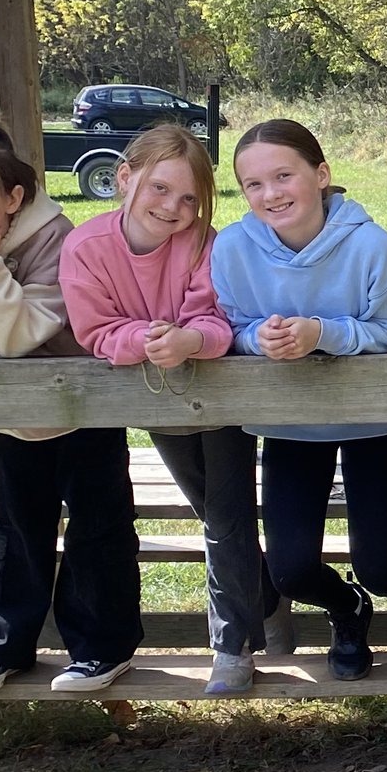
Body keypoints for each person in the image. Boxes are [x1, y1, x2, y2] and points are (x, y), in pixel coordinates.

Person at [213, 118, 387, 682]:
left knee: (379, 563)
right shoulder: (233, 248)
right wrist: (255, 340)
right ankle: (348, 610)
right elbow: (230, 327)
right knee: (289, 572)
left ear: (321, 175)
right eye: (253, 185)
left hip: (372, 424)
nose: (271, 194)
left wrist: (324, 334)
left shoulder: (373, 246)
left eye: (284, 175)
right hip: (290, 424)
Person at [0, 120, 143, 694]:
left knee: (98, 534)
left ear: (13, 197)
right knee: (9, 532)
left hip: (84, 408)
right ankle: (3, 648)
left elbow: (19, 335)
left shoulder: (60, 239)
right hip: (9, 416)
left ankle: (102, 649)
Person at [60, 122, 271, 696]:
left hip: (218, 396)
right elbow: (94, 328)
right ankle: (266, 596)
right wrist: (145, 342)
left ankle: (232, 646)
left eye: (187, 198)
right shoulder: (85, 247)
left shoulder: (209, 243)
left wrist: (189, 342)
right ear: (124, 178)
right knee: (210, 510)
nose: (172, 207)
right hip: (155, 398)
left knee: (227, 517)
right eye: (158, 188)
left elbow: (219, 315)